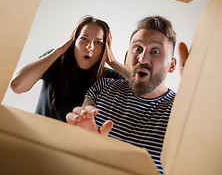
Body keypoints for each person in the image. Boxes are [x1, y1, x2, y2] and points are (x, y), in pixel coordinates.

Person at [66, 16, 188, 174]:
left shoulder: (181, 110)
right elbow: (80, 131)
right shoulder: (103, 87)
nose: (142, 58)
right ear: (125, 57)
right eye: (137, 48)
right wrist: (81, 138)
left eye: (155, 51)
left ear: (171, 65)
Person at [10, 15, 127, 122]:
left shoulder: (110, 77)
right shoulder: (55, 61)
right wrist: (59, 51)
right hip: (37, 135)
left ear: (105, 49)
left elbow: (144, 88)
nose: (89, 47)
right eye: (84, 38)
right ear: (74, 40)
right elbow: (17, 86)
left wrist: (113, 63)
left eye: (98, 42)